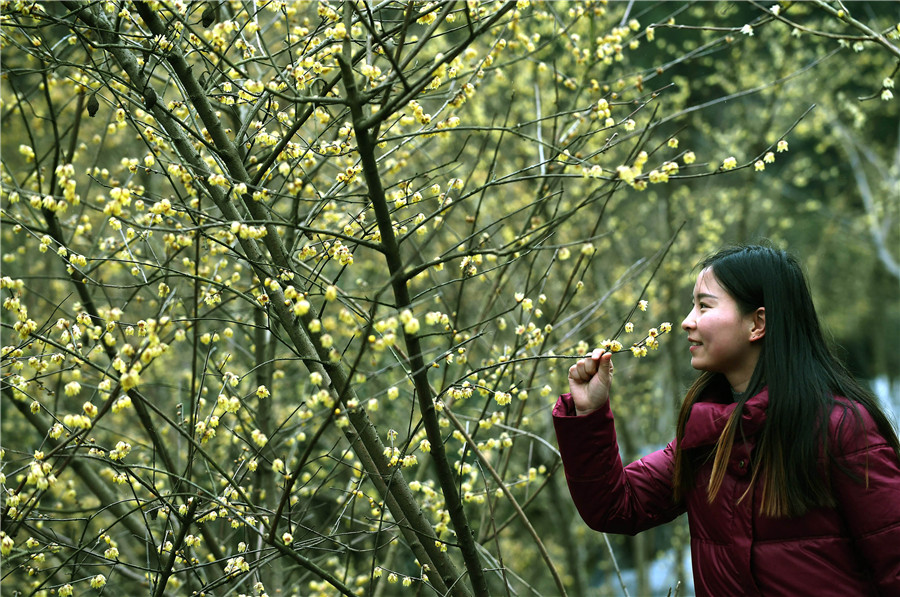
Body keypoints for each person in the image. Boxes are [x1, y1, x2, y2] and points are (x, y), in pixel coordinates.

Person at [553, 245, 900, 596]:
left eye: (704, 305)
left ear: (757, 323)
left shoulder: (842, 429)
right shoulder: (709, 434)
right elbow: (617, 507)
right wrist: (589, 414)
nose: (688, 320)